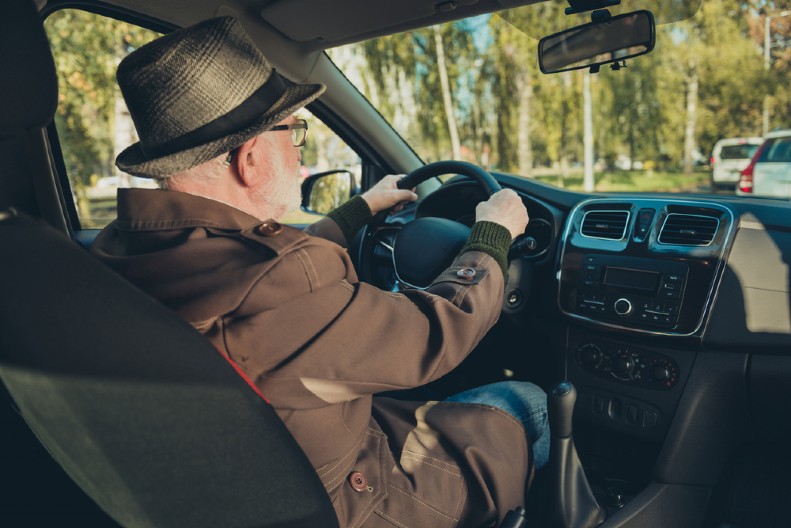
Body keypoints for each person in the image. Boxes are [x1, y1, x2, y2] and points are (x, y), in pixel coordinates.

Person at [91, 16, 549, 528]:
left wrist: (362, 209)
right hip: (355, 498)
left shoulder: (123, 252)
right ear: (251, 159)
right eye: (294, 132)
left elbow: (269, 270)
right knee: (526, 401)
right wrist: (492, 236)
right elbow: (436, 332)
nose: (299, 150)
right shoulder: (282, 285)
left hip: (261, 480)